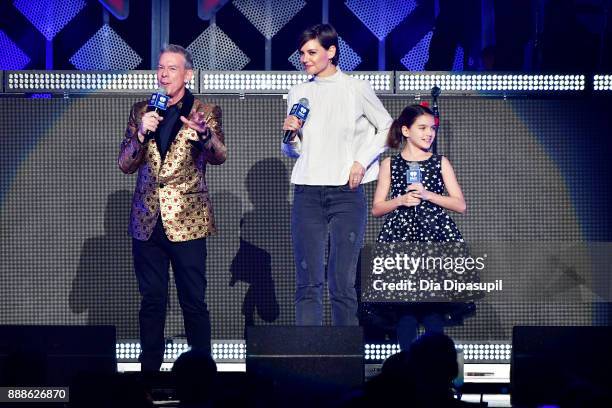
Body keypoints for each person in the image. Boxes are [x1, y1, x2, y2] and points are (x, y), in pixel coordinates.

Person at [118, 44, 227, 371]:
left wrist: (204, 136)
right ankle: (148, 374)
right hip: (147, 221)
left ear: (188, 74)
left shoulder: (205, 111)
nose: (164, 74)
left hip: (188, 220)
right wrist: (140, 133)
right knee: (152, 301)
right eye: (161, 68)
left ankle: (201, 371)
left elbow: (219, 156)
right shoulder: (142, 110)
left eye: (172, 68)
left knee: (193, 301)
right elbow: (125, 164)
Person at [282, 24, 392, 325]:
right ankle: (307, 358)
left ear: (331, 52)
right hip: (307, 192)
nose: (304, 58)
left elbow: (387, 127)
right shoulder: (298, 92)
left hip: (345, 192)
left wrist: (361, 161)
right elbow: (294, 151)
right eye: (302, 53)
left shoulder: (356, 88)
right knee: (308, 282)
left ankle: (344, 360)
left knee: (342, 282)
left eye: (312, 52)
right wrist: (291, 138)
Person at [370, 104, 467, 350]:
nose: (429, 133)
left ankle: (437, 374)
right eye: (422, 128)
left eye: (432, 128)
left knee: (433, 311)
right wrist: (401, 200)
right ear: (405, 130)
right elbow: (377, 208)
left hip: (435, 241)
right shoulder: (390, 164)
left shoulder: (439, 162)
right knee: (405, 312)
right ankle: (408, 372)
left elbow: (460, 204)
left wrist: (428, 194)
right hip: (400, 241)